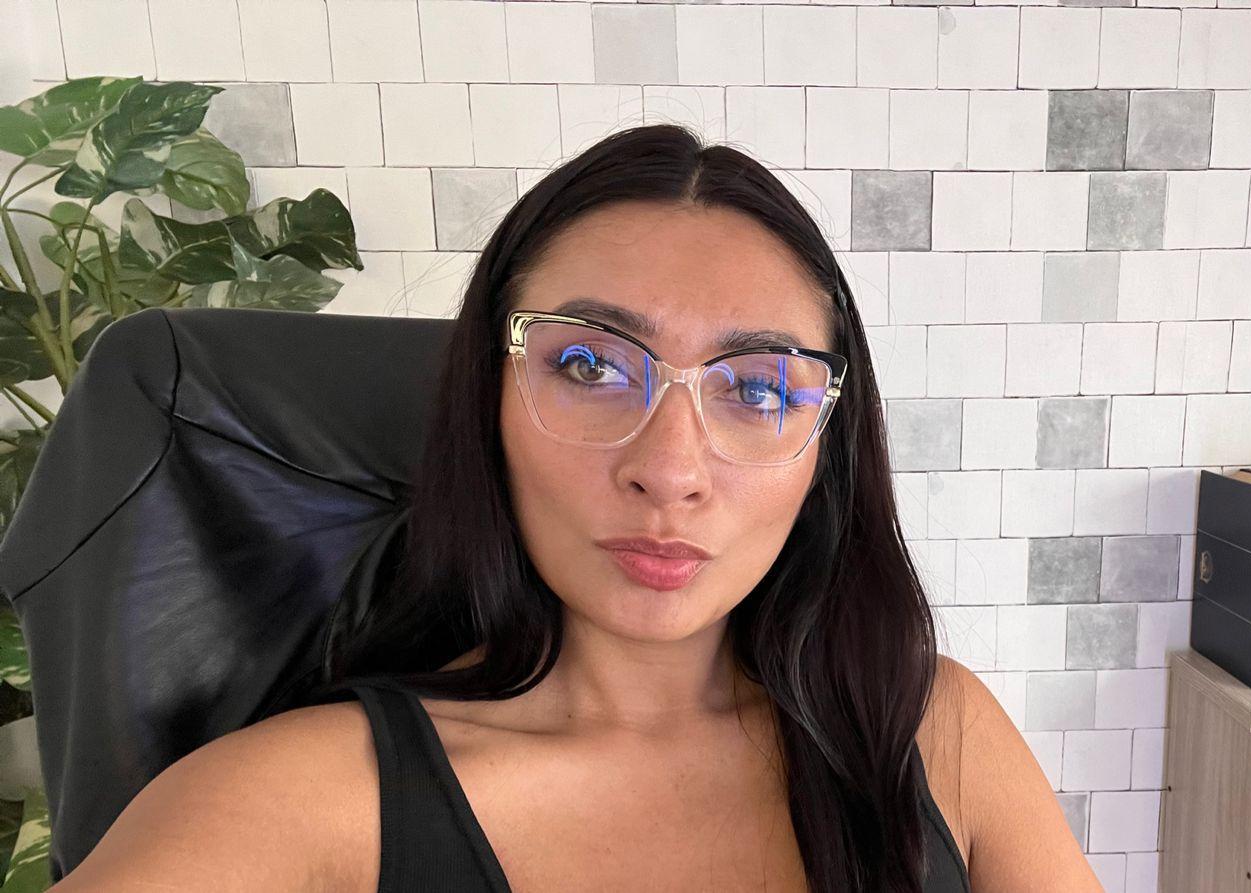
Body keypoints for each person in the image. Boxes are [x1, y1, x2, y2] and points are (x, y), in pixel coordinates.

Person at [50, 124, 1102, 892]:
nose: (671, 469)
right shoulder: (305, 797)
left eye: (758, 387)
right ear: (487, 399)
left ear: (826, 447)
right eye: (592, 366)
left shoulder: (930, 728)